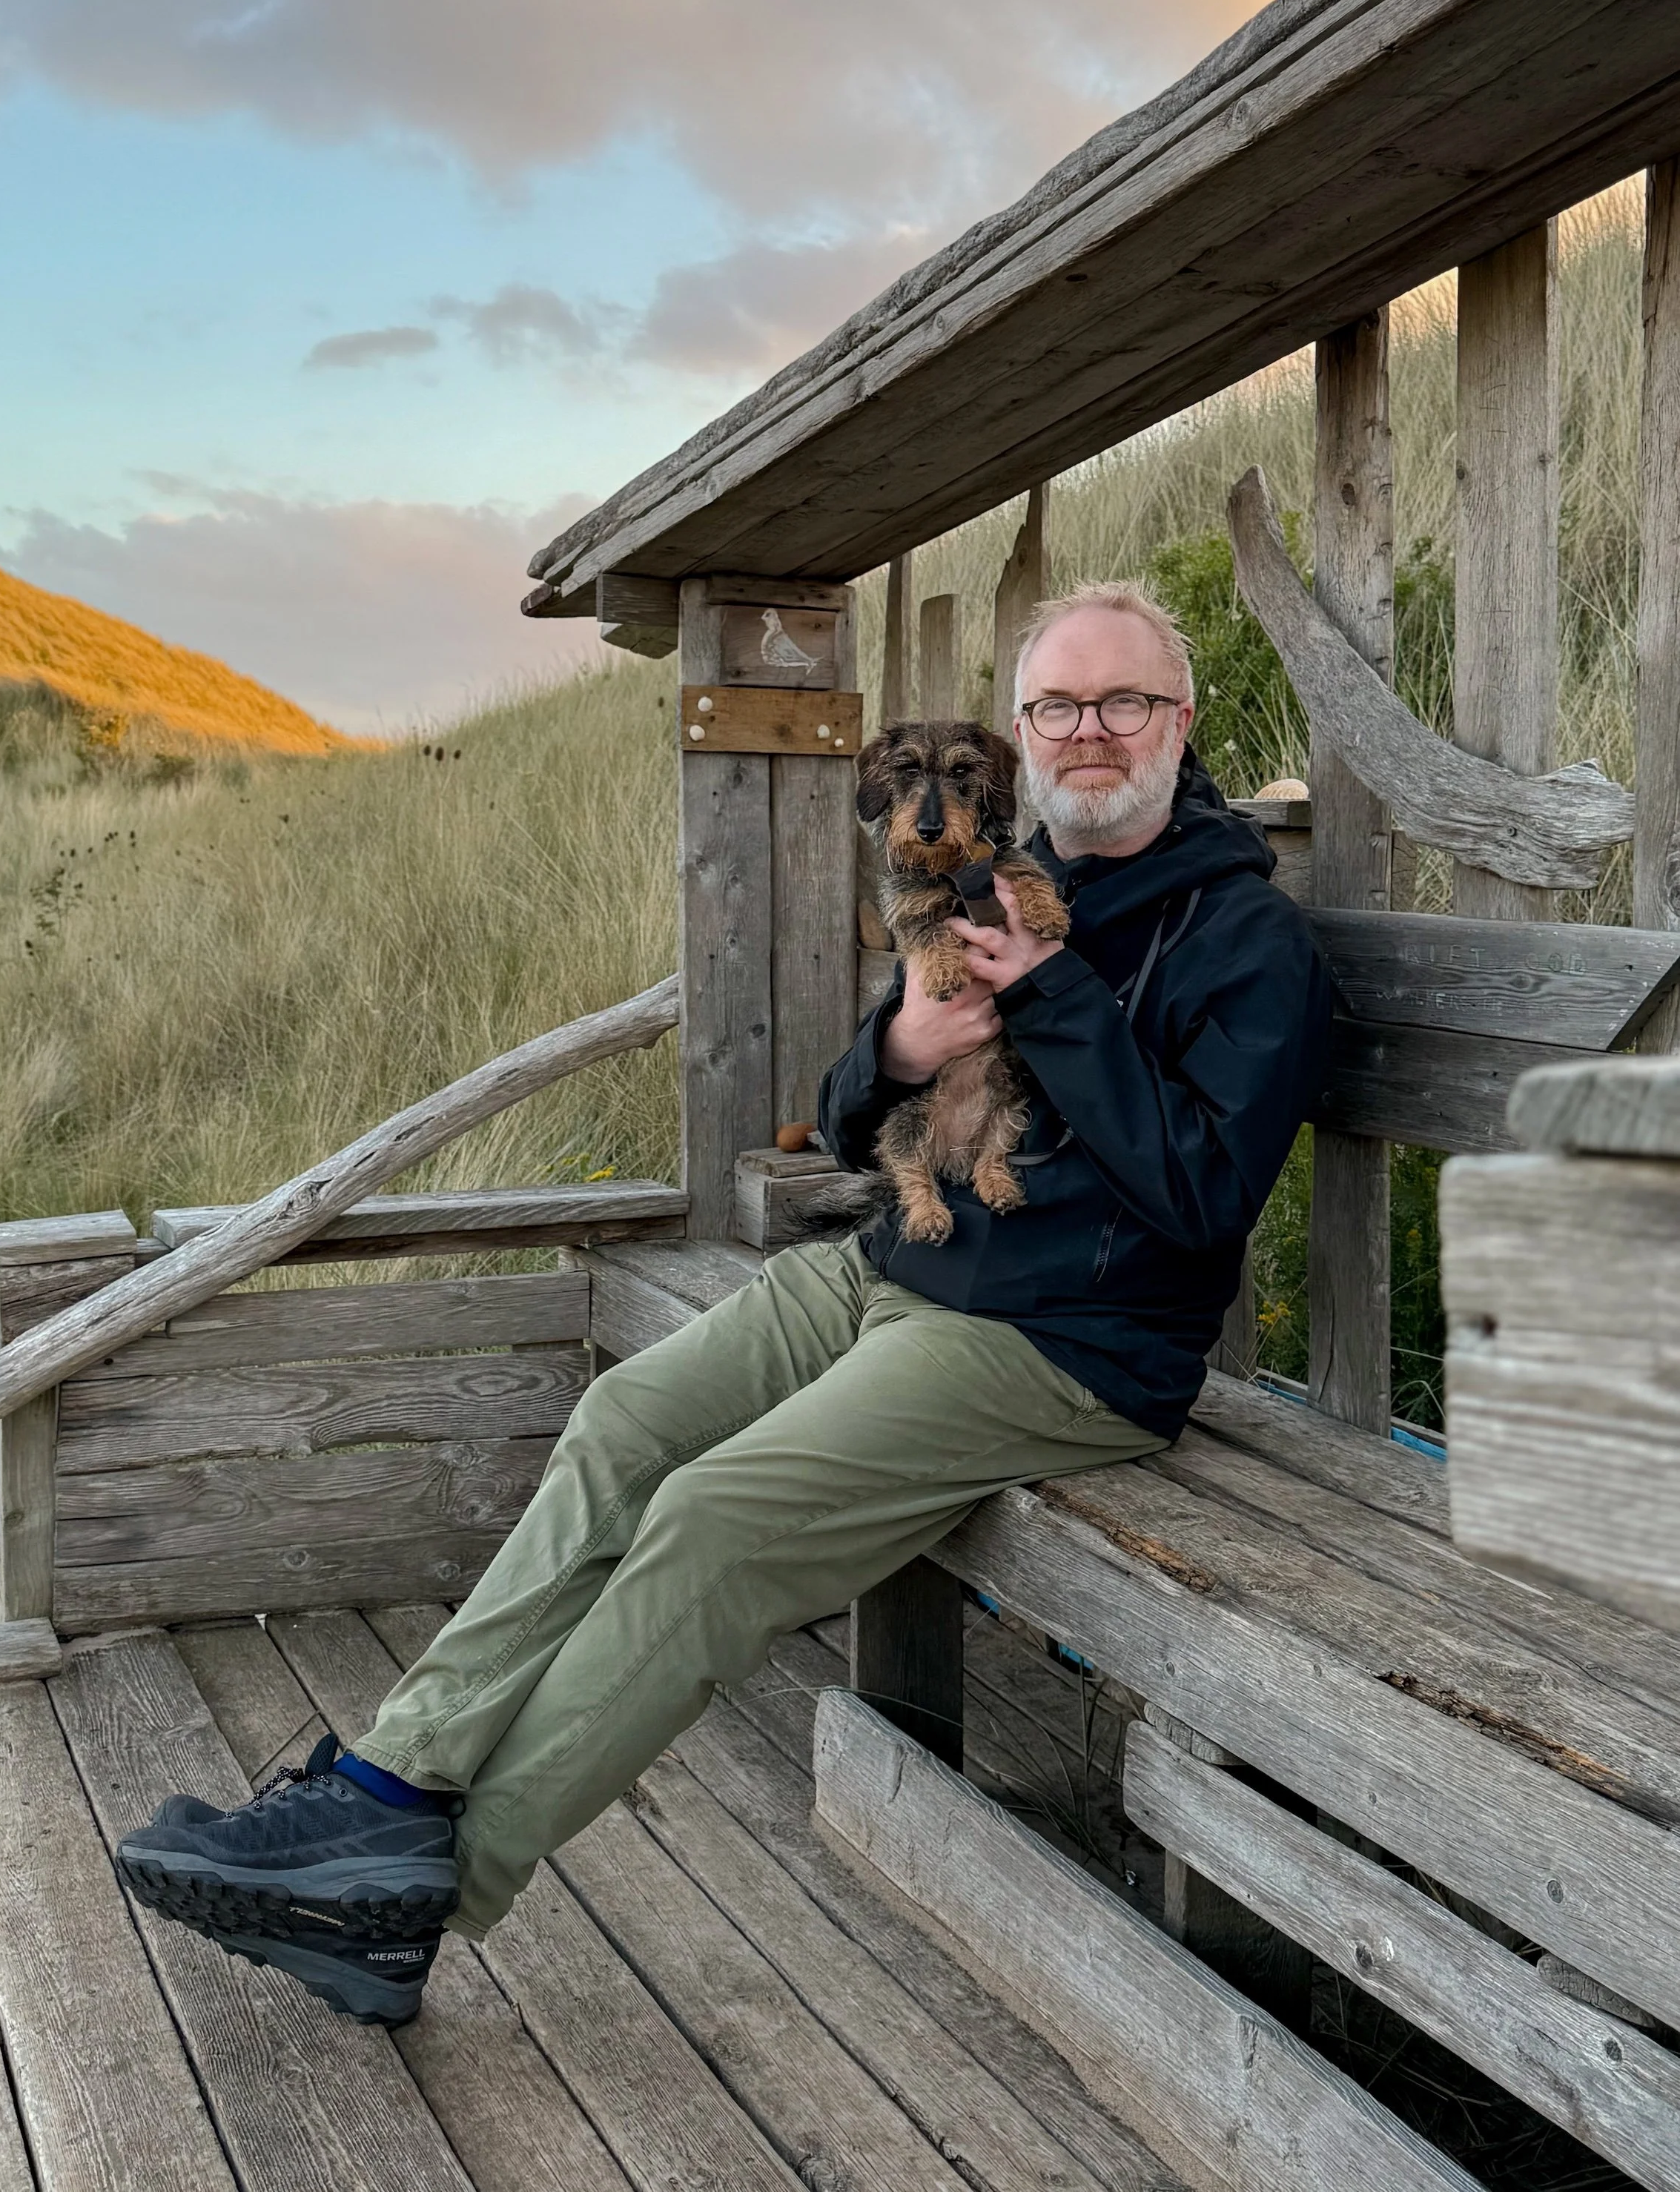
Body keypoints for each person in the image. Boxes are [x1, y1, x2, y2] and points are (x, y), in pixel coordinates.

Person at [114, 580, 1334, 2024]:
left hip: (1057, 1344)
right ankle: (383, 1782)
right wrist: (892, 1038)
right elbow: (839, 1108)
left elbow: (1198, 1196)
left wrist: (1061, 1002)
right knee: (629, 1419)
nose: (1086, 729)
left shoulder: (1245, 940)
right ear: (1017, 731)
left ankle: (417, 1890)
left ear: (1176, 723)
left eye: (1120, 700)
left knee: (714, 1520)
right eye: (1055, 705)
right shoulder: (983, 885)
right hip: (888, 1266)